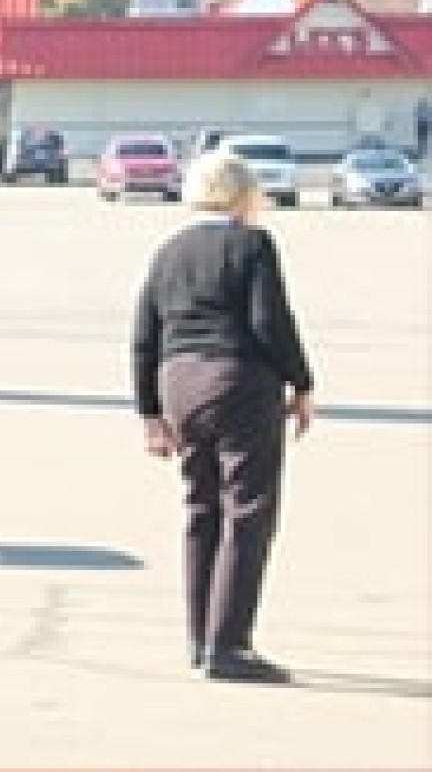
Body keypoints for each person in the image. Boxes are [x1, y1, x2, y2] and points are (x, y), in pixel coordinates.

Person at [129, 149, 319, 685]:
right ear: (242, 195)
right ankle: (230, 645)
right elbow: (270, 320)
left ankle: (200, 637)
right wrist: (302, 383)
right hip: (238, 382)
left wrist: (149, 412)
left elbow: (144, 336)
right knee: (248, 512)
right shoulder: (251, 243)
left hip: (179, 385)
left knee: (201, 508)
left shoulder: (167, 252)